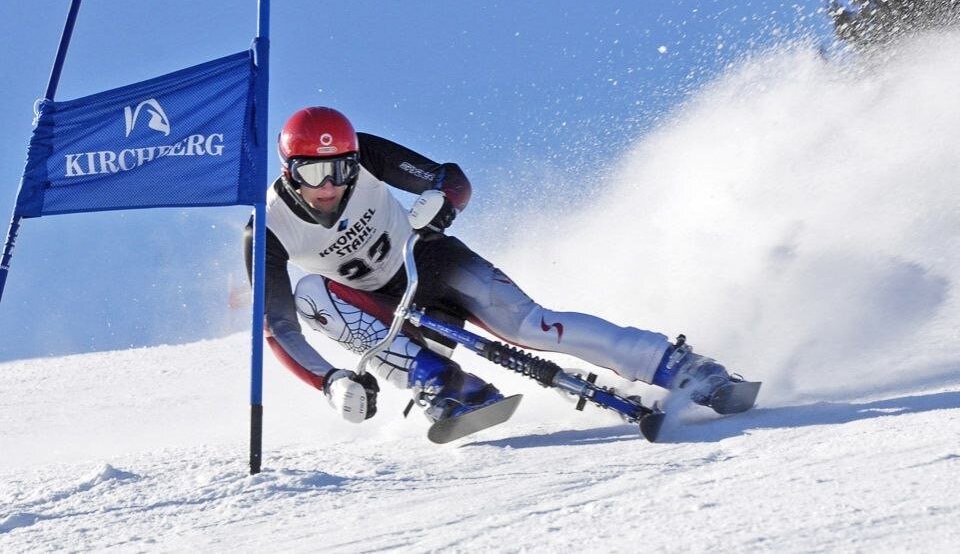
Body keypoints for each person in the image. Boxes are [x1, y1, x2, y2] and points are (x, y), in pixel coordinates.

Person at [245, 106, 735, 430]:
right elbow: (277, 327)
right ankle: (442, 384)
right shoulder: (267, 227)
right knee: (310, 292)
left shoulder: (367, 153)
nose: (329, 186)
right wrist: (330, 381)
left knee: (533, 325)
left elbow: (448, 177)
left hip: (427, 264)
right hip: (378, 312)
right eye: (312, 173)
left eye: (342, 169)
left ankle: (677, 365)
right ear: (289, 171)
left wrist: (443, 204)